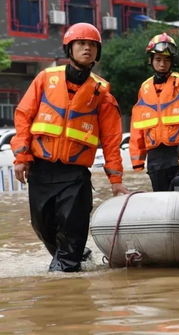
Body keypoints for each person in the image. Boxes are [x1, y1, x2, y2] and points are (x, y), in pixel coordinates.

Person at [10, 22, 129, 272]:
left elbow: (111, 139)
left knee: (70, 236)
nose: (87, 48)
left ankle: (66, 284)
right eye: (81, 44)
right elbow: (23, 116)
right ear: (69, 48)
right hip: (41, 170)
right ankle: (76, 258)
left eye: (92, 45)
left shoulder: (102, 93)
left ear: (98, 52)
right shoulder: (45, 79)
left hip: (75, 176)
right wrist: (21, 156)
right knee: (43, 226)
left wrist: (116, 179)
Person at [129, 32, 179, 191]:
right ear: (150, 60)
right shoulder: (144, 88)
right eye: (158, 60)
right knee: (161, 200)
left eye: (167, 60)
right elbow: (138, 124)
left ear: (173, 61)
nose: (162, 64)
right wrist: (137, 159)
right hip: (155, 157)